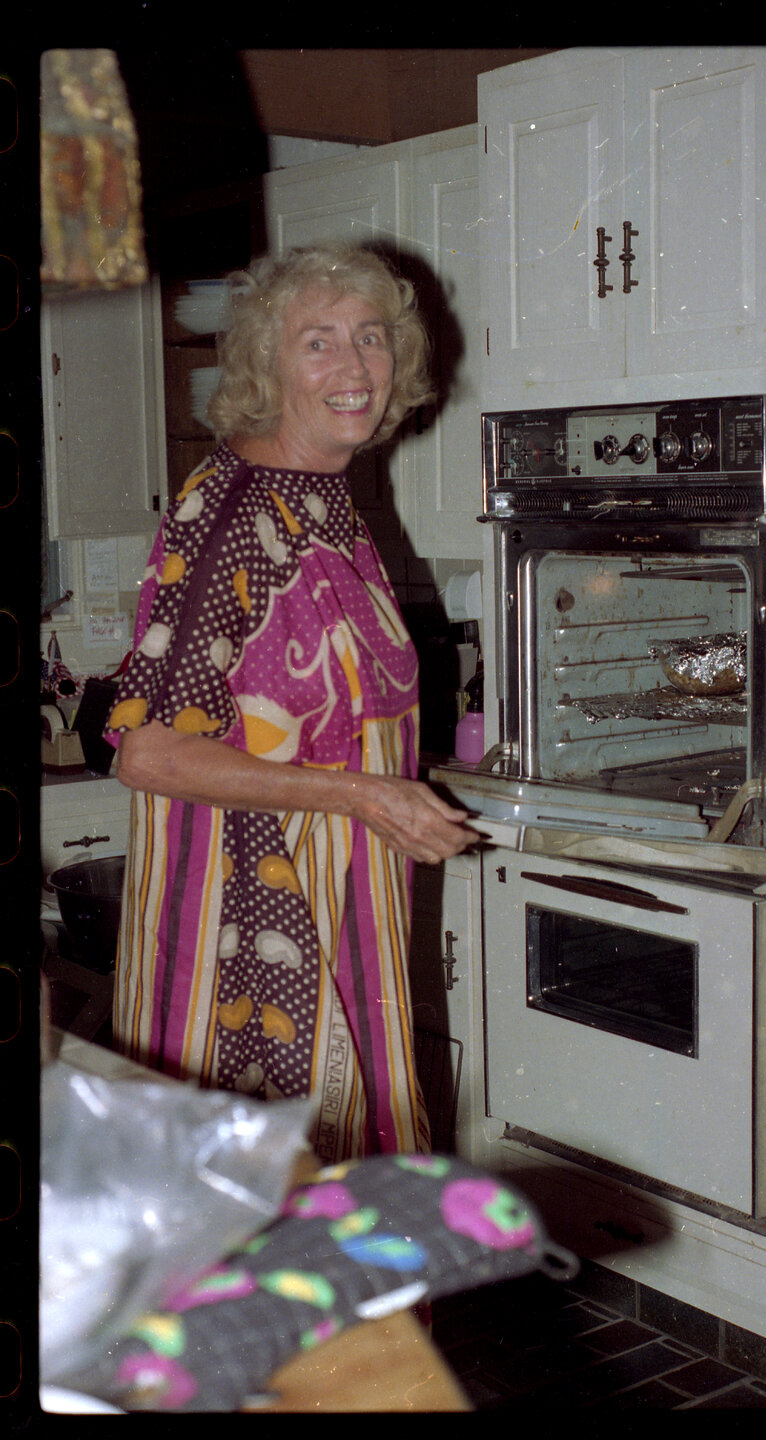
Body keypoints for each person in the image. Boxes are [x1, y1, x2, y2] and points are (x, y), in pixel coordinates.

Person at [105, 242, 481, 1162]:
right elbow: (146, 751)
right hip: (248, 954)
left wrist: (391, 788)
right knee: (282, 1240)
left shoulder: (328, 507)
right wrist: (365, 796)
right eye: (319, 342)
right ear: (266, 367)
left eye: (372, 339)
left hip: (348, 921)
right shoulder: (232, 520)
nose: (355, 367)